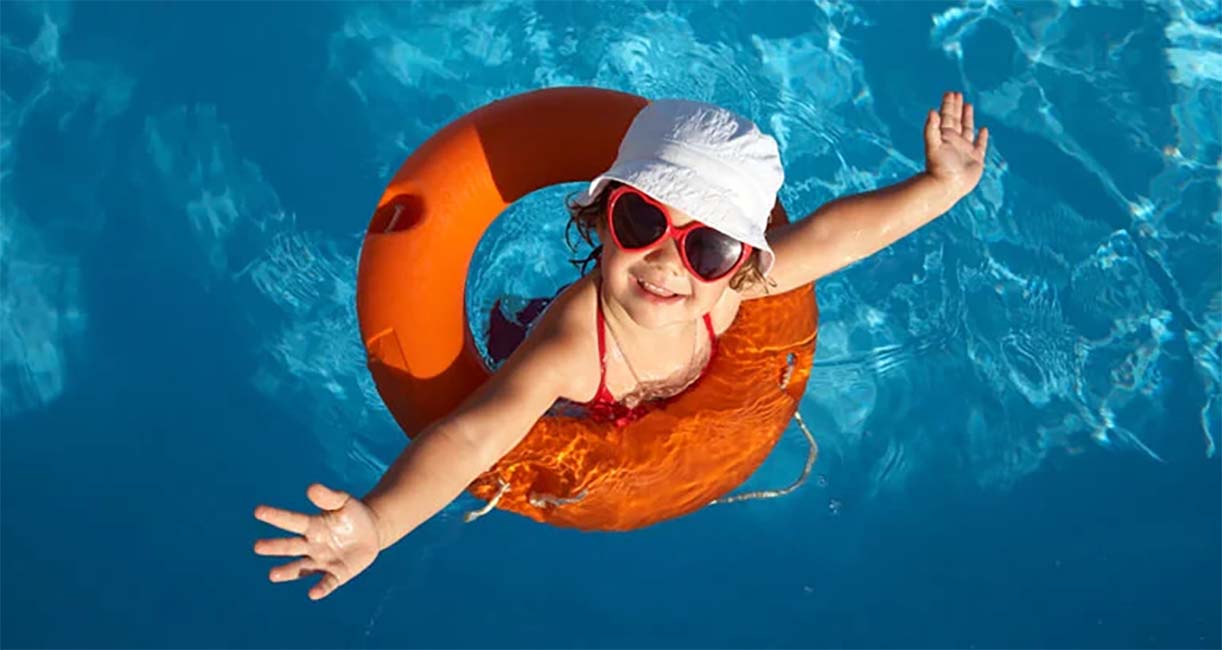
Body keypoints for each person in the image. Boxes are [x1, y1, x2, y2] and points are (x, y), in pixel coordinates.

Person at [253, 92, 989, 600]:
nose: (670, 261)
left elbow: (833, 238)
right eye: (642, 222)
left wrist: (940, 186)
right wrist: (380, 520)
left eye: (708, 245)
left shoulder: (734, 294)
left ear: (744, 260)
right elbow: (475, 435)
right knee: (511, 357)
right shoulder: (575, 341)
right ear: (600, 218)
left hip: (665, 405)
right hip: (577, 397)